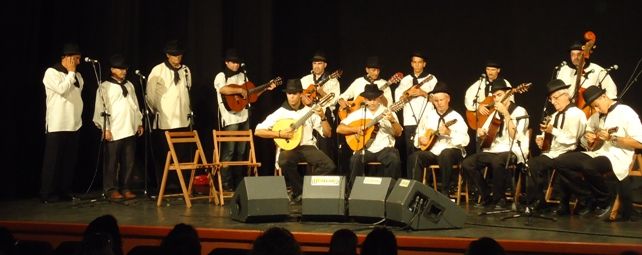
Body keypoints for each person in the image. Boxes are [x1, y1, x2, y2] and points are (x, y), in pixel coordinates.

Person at [554, 86, 642, 220]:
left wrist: (612, 138)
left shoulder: (626, 112)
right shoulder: (597, 116)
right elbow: (587, 135)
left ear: (604, 97)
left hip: (618, 155)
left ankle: (606, 201)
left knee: (589, 166)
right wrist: (590, 138)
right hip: (600, 152)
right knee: (561, 161)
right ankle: (588, 197)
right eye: (593, 107)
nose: (596, 110)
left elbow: (639, 142)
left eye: (597, 106)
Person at [255, 79, 335, 203]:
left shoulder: (310, 111)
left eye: (295, 94)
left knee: (329, 165)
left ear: (301, 94)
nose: (291, 97)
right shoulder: (280, 113)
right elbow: (258, 131)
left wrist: (323, 117)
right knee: (284, 160)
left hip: (308, 146)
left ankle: (305, 188)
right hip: (290, 148)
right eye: (289, 94)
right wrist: (280, 134)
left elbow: (328, 133)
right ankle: (299, 190)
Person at [213, 49, 276, 191]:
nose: (235, 65)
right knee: (229, 150)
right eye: (233, 63)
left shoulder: (243, 76)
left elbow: (251, 95)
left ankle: (239, 182)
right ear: (227, 62)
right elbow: (223, 90)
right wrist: (238, 91)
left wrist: (266, 88)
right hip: (229, 118)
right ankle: (224, 183)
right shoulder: (221, 76)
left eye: (237, 63)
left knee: (241, 151)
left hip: (244, 116)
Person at [462, 80, 529, 209]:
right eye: (494, 96)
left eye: (499, 95)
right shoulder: (493, 113)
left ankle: (500, 199)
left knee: (498, 161)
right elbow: (486, 135)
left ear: (508, 95)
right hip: (494, 150)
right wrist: (481, 133)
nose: (496, 98)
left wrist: (506, 113)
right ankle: (487, 195)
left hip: (513, 149)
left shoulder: (520, 111)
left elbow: (515, 135)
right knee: (468, 163)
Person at [526, 79, 586, 211]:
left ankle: (567, 202)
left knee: (562, 163)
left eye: (555, 98)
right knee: (532, 164)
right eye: (551, 99)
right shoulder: (554, 116)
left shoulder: (576, 114)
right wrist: (542, 140)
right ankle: (538, 201)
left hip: (571, 152)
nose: (553, 102)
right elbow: (548, 136)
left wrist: (552, 130)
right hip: (553, 153)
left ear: (566, 95)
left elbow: (571, 139)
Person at [93, 54, 144, 200]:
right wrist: (105, 128)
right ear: (112, 69)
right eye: (120, 69)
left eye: (125, 69)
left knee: (129, 161)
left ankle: (126, 187)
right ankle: (110, 189)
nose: (124, 72)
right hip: (114, 130)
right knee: (112, 162)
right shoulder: (104, 87)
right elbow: (100, 109)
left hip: (129, 128)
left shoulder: (129, 85)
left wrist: (139, 122)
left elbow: (135, 105)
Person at [407, 82, 469, 195]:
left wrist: (449, 132)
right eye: (436, 101)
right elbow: (419, 132)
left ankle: (444, 192)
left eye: (441, 100)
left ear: (448, 99)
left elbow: (465, 140)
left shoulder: (456, 117)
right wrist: (420, 138)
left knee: (445, 154)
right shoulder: (429, 115)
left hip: (452, 151)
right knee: (415, 157)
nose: (439, 103)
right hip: (433, 151)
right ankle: (414, 191)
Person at [40, 43, 84, 203]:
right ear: (68, 58)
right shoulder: (51, 72)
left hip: (74, 123)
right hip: (58, 124)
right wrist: (70, 73)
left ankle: (64, 190)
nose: (78, 63)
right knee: (53, 160)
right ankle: (47, 193)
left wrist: (72, 73)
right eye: (76, 59)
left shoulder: (78, 76)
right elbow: (62, 89)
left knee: (68, 161)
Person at [146, 40, 192, 192]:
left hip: (183, 120)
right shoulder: (158, 70)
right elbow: (150, 96)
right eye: (174, 55)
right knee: (165, 156)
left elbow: (188, 89)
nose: (177, 58)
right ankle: (164, 185)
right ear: (167, 55)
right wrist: (157, 110)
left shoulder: (185, 70)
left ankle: (181, 185)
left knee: (183, 155)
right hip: (165, 121)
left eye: (179, 55)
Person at [336, 56, 394, 175]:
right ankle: (354, 189)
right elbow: (342, 96)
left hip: (377, 121)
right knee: (355, 159)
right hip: (358, 119)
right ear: (367, 69)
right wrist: (342, 101)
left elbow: (389, 105)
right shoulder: (358, 82)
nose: (376, 73)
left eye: (378, 70)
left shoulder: (384, 84)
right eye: (373, 70)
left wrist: (380, 95)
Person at [337, 85, 402, 190]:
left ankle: (390, 192)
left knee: (394, 159)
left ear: (379, 98)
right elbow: (339, 128)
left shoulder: (389, 111)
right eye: (369, 99)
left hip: (384, 149)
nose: (372, 102)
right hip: (365, 149)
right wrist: (355, 129)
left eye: (375, 99)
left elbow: (398, 133)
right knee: (355, 160)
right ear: (365, 100)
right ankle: (355, 193)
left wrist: (392, 121)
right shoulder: (358, 113)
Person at [394, 51, 437, 168]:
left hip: (427, 119)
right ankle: (410, 181)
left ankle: (424, 181)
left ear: (424, 64)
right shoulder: (405, 80)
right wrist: (405, 96)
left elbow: (437, 99)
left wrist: (421, 92)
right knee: (410, 151)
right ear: (411, 64)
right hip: (409, 120)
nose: (417, 65)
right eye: (414, 62)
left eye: (420, 62)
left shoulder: (431, 79)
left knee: (425, 150)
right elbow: (398, 101)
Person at [300, 51, 341, 162]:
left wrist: (322, 92)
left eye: (319, 63)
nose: (316, 66)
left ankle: (325, 169)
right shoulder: (305, 79)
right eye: (314, 63)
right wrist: (304, 99)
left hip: (324, 112)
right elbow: (299, 95)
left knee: (325, 145)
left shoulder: (333, 80)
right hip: (306, 112)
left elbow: (335, 101)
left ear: (325, 65)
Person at [464, 61, 513, 127]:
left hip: (498, 119)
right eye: (488, 69)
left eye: (493, 70)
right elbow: (468, 97)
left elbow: (510, 102)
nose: (490, 72)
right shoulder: (480, 83)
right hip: (482, 119)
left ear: (498, 70)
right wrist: (478, 106)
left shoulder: (505, 84)